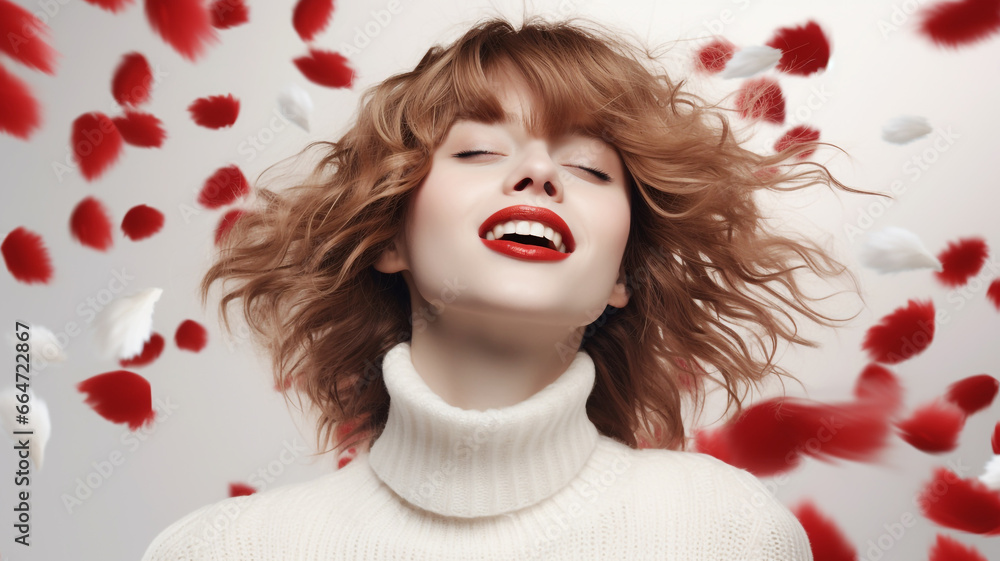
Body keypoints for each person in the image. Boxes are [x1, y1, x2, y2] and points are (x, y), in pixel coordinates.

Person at [142, 14, 872, 560]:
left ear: (622, 276)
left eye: (589, 167)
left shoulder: (723, 531)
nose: (537, 174)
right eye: (479, 149)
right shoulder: (221, 549)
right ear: (390, 237)